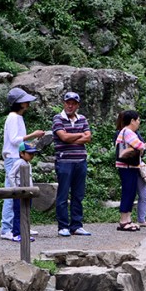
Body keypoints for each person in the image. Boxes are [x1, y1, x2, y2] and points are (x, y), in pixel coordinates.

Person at [1, 87, 44, 240]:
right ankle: (7, 228)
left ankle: (21, 226)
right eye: (25, 101)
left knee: (22, 192)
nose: (27, 103)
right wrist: (33, 134)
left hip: (17, 156)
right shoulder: (13, 117)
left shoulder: (18, 117)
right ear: (19, 103)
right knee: (11, 192)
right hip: (13, 158)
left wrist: (32, 141)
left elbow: (19, 140)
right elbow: (14, 140)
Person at [52, 91, 92, 237]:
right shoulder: (58, 118)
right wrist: (80, 135)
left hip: (80, 161)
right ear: (64, 103)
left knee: (78, 195)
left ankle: (76, 225)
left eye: (73, 103)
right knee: (63, 195)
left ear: (77, 105)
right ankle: (63, 226)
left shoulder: (82, 119)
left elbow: (88, 138)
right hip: (64, 161)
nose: (70, 105)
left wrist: (70, 138)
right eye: (68, 102)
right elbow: (63, 136)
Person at [114, 110, 146, 231]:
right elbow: (140, 145)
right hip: (126, 166)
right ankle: (123, 221)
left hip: (130, 166)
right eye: (138, 120)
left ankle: (128, 219)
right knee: (128, 192)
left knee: (131, 192)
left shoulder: (126, 131)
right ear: (132, 121)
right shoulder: (128, 131)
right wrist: (143, 146)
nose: (139, 122)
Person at [8, 142, 40, 243]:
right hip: (19, 193)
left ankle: (25, 233)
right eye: (29, 153)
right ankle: (16, 233)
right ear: (22, 153)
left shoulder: (27, 164)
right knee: (18, 213)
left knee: (25, 213)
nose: (32, 156)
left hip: (27, 193)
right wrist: (15, 189)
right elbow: (11, 175)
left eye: (33, 154)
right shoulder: (19, 162)